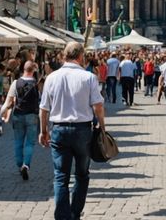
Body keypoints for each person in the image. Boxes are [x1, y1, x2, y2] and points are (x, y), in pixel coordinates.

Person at [38, 42, 104, 220]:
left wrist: (43, 131)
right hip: (83, 130)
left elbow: (43, 108)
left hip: (59, 129)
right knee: (82, 174)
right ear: (81, 56)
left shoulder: (52, 77)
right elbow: (98, 106)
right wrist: (102, 128)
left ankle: (62, 216)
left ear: (64, 56)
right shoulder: (89, 77)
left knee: (60, 176)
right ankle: (74, 213)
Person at [0, 61, 40, 180]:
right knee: (30, 143)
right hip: (32, 115)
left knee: (18, 141)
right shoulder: (37, 84)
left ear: (23, 69)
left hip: (18, 115)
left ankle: (19, 164)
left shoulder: (16, 83)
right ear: (33, 70)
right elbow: (43, 102)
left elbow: (8, 102)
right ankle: (26, 165)